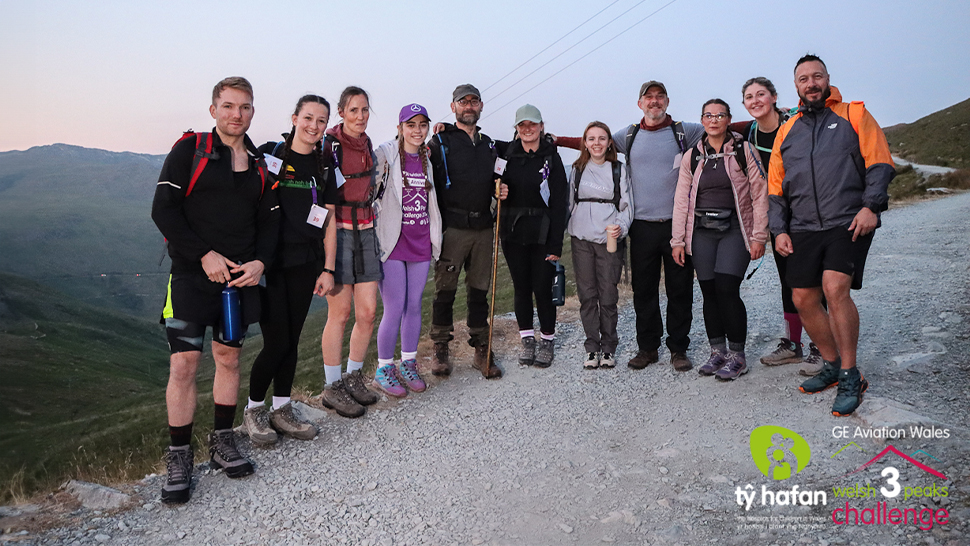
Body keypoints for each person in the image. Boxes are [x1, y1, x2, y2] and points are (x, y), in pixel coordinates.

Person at [151, 77, 279, 503]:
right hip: (190, 276)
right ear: (213, 110)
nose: (235, 114)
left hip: (238, 283)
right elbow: (163, 210)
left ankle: (223, 440)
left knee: (228, 358)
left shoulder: (261, 163)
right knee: (184, 365)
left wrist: (260, 262)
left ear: (252, 112)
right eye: (227, 106)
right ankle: (179, 455)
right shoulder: (189, 151)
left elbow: (269, 223)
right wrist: (202, 253)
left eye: (243, 107)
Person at [769, 55, 895, 416]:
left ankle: (850, 373)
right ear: (795, 86)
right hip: (803, 226)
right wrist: (778, 230)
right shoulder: (786, 129)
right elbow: (775, 187)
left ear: (827, 79)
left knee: (834, 287)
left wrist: (872, 206)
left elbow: (880, 162)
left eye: (817, 76)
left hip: (848, 220)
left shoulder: (854, 114)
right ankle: (830, 363)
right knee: (803, 297)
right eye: (804, 79)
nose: (811, 83)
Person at [556, 81, 704, 371]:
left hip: (677, 225)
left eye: (659, 97)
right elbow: (592, 142)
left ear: (667, 101)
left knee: (680, 288)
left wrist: (769, 116)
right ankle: (647, 348)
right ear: (640, 104)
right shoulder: (629, 135)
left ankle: (678, 349)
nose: (654, 102)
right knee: (644, 290)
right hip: (642, 226)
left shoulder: (685, 131)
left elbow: (720, 127)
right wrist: (555, 139)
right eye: (648, 98)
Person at [241, 94, 337, 446]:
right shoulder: (271, 157)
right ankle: (253, 410)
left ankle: (281, 409)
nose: (314, 126)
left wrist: (327, 268)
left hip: (305, 263)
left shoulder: (325, 166)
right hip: (268, 265)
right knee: (276, 340)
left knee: (292, 340)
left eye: (321, 120)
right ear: (294, 118)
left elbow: (329, 221)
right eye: (308, 117)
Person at [729, 78, 825, 376]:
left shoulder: (797, 122)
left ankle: (821, 346)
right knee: (788, 279)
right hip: (777, 216)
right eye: (749, 97)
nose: (755, 100)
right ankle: (793, 344)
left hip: (808, 212)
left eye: (761, 94)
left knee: (813, 281)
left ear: (773, 97)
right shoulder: (749, 132)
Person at [671, 99, 769, 380]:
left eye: (720, 115)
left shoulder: (744, 151)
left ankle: (738, 355)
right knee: (709, 292)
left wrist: (759, 235)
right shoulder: (692, 156)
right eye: (708, 115)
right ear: (702, 120)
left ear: (728, 119)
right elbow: (681, 200)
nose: (714, 120)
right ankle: (718, 352)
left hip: (735, 230)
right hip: (701, 232)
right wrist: (677, 240)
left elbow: (760, 193)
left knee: (727, 288)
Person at [312, 86, 382, 417]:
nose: (360, 116)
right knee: (339, 314)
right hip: (337, 232)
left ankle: (354, 376)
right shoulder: (329, 146)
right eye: (354, 110)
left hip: (367, 230)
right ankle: (332, 385)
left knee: (367, 312)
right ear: (342, 112)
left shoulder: (369, 145)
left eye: (365, 110)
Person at [427, 84, 502, 379]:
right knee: (445, 290)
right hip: (453, 228)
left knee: (479, 292)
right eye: (463, 102)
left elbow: (519, 154)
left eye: (473, 101)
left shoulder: (491, 145)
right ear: (453, 106)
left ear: (481, 106)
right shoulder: (439, 143)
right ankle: (440, 347)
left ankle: (482, 348)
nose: (468, 106)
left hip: (484, 227)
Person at [372, 104, 443, 397]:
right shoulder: (386, 154)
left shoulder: (428, 157)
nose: (417, 130)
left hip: (420, 240)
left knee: (414, 305)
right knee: (394, 306)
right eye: (410, 125)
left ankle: (408, 362)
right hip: (391, 242)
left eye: (422, 125)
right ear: (400, 127)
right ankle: (384, 368)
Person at [496, 105, 568, 368]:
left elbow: (559, 202)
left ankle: (547, 339)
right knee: (521, 286)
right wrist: (498, 189)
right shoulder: (506, 154)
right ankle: (527, 338)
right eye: (522, 125)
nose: (527, 129)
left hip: (543, 232)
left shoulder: (552, 157)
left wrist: (556, 243)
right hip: (513, 232)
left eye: (532, 124)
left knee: (542, 287)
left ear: (541, 126)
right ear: (516, 128)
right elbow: (491, 180)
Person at [566, 121, 633, 369]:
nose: (596, 143)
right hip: (581, 238)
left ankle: (608, 347)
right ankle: (591, 348)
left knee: (608, 294)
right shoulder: (578, 169)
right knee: (587, 295)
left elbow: (626, 204)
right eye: (591, 139)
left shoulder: (618, 169)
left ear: (609, 142)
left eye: (601, 138)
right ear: (585, 142)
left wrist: (621, 227)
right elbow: (569, 203)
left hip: (609, 238)